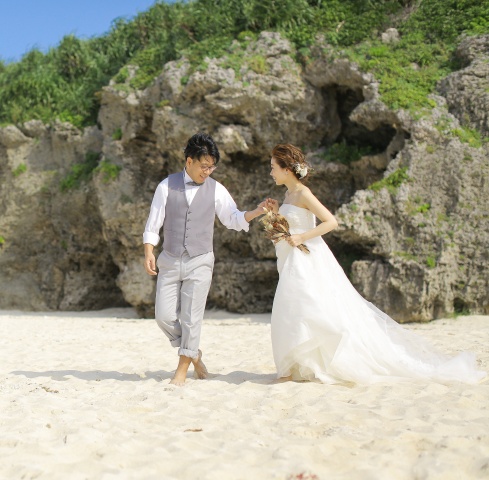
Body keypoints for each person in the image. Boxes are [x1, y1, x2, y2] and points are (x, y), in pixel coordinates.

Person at [263, 143, 486, 385]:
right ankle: (296, 367)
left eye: (273, 167)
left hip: (306, 259)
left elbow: (331, 222)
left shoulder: (304, 193)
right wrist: (276, 213)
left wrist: (302, 237)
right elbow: (293, 224)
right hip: (293, 259)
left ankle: (293, 370)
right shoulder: (287, 195)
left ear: (287, 170)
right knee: (296, 308)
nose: (271, 172)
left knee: (301, 307)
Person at [143, 133, 266, 386]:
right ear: (189, 161)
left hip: (201, 259)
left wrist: (255, 213)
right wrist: (148, 251)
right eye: (204, 166)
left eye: (212, 166)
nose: (208, 171)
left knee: (191, 318)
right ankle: (194, 353)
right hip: (170, 257)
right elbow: (153, 222)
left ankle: (181, 370)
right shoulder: (166, 186)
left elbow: (232, 218)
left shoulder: (217, 189)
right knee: (163, 316)